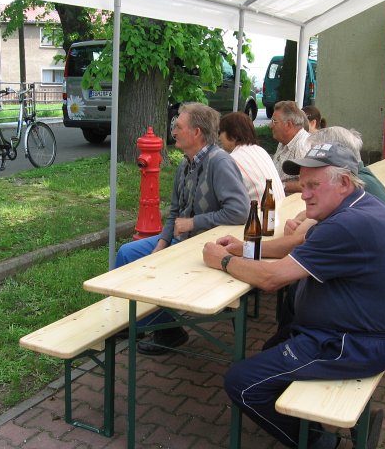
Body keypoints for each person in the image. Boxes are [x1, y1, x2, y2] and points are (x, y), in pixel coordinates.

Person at [202, 143, 385, 449]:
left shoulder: (347, 225)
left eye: (313, 186)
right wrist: (241, 248)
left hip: (349, 344)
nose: (304, 195)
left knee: (242, 382)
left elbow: (272, 279)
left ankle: (325, 444)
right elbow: (295, 246)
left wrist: (222, 261)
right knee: (272, 346)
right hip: (349, 331)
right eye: (303, 185)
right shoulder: (356, 206)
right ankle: (323, 429)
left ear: (343, 183)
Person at [116, 102, 250, 355]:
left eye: (178, 126)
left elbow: (239, 211)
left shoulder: (219, 162)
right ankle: (134, 321)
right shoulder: (184, 164)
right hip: (182, 242)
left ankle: (167, 330)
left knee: (156, 267)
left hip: (206, 246)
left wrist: (195, 223)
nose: (173, 131)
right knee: (127, 253)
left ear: (197, 132)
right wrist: (162, 243)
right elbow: (175, 213)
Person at [285, 126, 385, 321]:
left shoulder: (355, 185)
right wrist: (302, 217)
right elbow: (310, 221)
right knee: (308, 281)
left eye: (316, 157)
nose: (310, 163)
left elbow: (300, 239)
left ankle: (298, 343)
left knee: (304, 287)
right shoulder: (361, 177)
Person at [218, 112, 285, 203]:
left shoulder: (232, 160)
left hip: (259, 213)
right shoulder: (260, 151)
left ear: (233, 135)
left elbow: (223, 199)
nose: (219, 137)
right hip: (280, 209)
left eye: (220, 132)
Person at [270, 101, 312, 195]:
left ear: (288, 125)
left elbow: (309, 184)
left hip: (292, 206)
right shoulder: (283, 141)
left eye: (274, 121)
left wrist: (280, 186)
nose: (271, 126)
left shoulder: (302, 145)